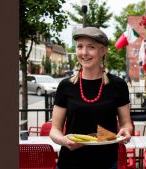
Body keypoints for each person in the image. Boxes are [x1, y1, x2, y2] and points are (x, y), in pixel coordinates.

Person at [49, 27, 133, 169]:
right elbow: (54, 130)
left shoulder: (118, 85)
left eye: (91, 47)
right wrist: (63, 141)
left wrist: (126, 131)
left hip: (106, 163)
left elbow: (126, 123)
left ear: (103, 50)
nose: (84, 53)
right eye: (80, 47)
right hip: (69, 164)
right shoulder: (65, 86)